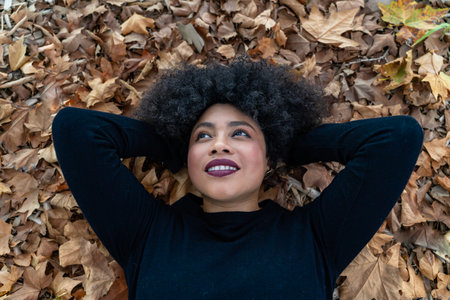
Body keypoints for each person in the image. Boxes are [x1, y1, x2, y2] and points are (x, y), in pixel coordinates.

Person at [51, 56, 424, 300]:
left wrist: (283, 145)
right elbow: (76, 130)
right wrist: (171, 143)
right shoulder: (146, 234)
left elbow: (396, 139)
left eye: (240, 133)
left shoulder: (317, 238)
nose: (219, 145)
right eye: (203, 136)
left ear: (267, 158)